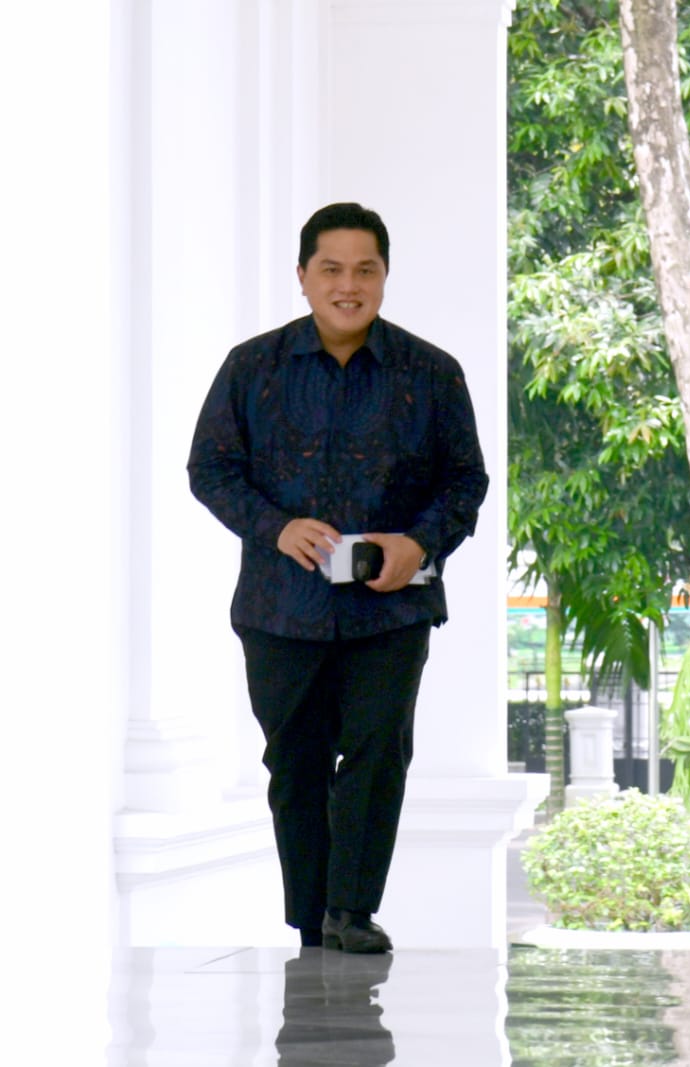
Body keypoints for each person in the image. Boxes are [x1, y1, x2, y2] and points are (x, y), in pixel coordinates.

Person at [189, 202, 488, 953]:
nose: (347, 285)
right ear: (303, 277)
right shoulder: (251, 367)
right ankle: (311, 919)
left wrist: (419, 544)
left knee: (378, 750)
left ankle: (351, 910)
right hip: (279, 609)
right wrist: (276, 527)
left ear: (385, 276)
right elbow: (210, 469)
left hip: (390, 610)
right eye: (331, 269)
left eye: (365, 270)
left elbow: (465, 481)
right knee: (294, 764)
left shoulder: (432, 372)